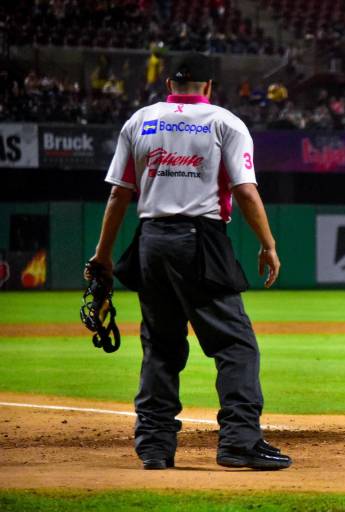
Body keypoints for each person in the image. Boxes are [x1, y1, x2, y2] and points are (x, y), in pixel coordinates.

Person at [85, 52, 292, 470]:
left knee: (160, 346)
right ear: (209, 87)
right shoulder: (225, 122)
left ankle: (154, 447)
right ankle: (238, 441)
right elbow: (246, 192)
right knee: (236, 345)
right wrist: (268, 244)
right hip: (199, 239)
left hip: (150, 240)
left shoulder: (139, 120)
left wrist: (103, 256)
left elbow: (118, 194)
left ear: (168, 85)